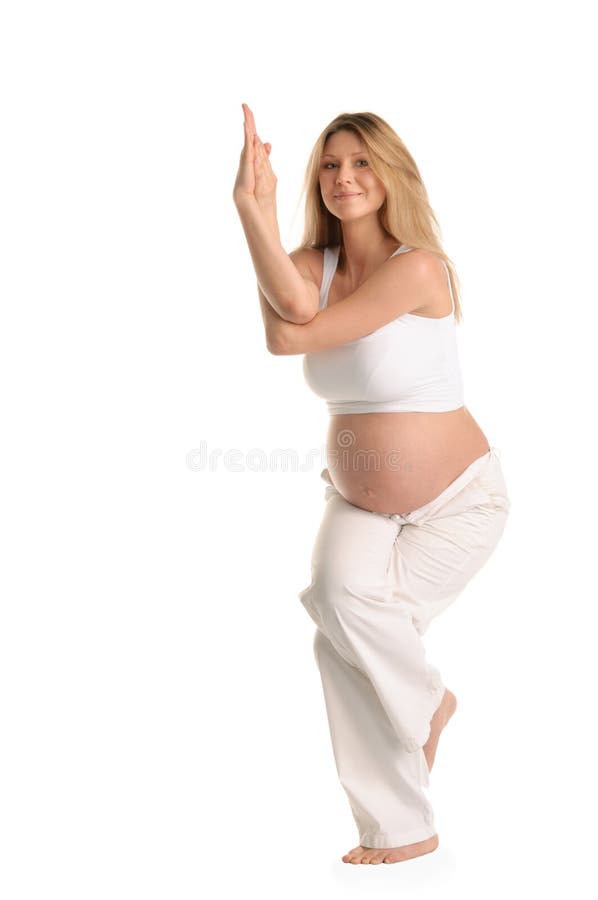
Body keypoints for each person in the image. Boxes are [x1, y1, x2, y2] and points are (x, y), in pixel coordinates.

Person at [233, 103, 511, 866]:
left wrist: (251, 213)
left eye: (360, 163)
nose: (343, 177)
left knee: (346, 627)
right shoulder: (307, 264)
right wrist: (251, 209)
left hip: (457, 502)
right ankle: (417, 760)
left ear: (390, 176)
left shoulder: (417, 266)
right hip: (359, 499)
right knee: (338, 615)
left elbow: (295, 324)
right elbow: (282, 329)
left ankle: (412, 758)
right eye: (329, 164)